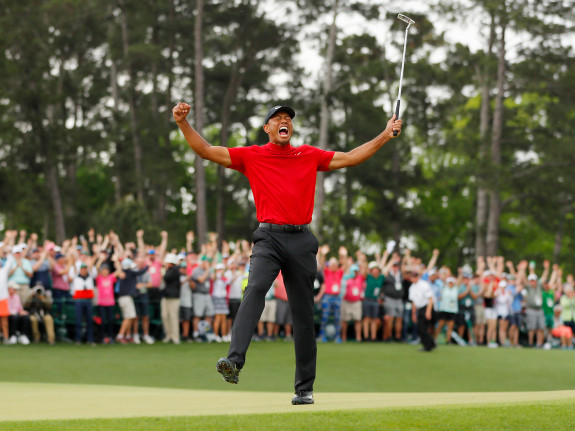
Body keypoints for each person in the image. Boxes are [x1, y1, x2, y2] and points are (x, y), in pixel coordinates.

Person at [173, 101, 402, 405]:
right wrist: (182, 123)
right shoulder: (252, 155)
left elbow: (349, 158)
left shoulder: (307, 154)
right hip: (268, 237)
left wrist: (385, 134)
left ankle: (304, 389)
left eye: (288, 119)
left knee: (303, 313)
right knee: (254, 289)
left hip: (302, 239)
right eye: (277, 119)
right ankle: (234, 361)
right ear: (267, 128)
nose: (284, 122)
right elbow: (206, 150)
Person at [409, 271, 436, 352]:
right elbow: (413, 302)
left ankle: (428, 346)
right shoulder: (411, 288)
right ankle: (431, 343)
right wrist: (413, 313)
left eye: (415, 277)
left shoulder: (424, 285)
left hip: (427, 307)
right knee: (420, 328)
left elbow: (430, 299)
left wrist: (428, 312)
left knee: (423, 328)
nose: (414, 279)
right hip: (420, 309)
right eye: (412, 277)